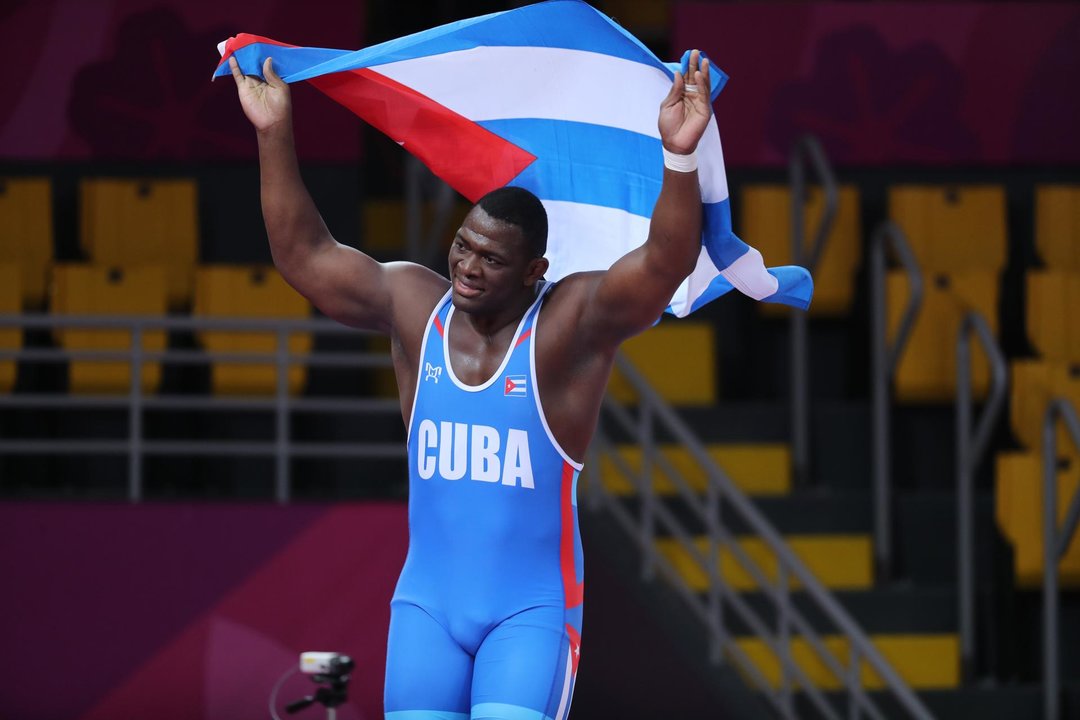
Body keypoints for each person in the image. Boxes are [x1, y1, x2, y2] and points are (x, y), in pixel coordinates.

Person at [229, 48, 712, 720]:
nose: (466, 267)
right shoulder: (412, 305)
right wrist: (273, 133)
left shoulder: (564, 329)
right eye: (463, 245)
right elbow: (305, 256)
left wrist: (680, 158)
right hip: (426, 608)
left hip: (531, 614)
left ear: (534, 272)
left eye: (491, 258)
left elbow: (663, 264)